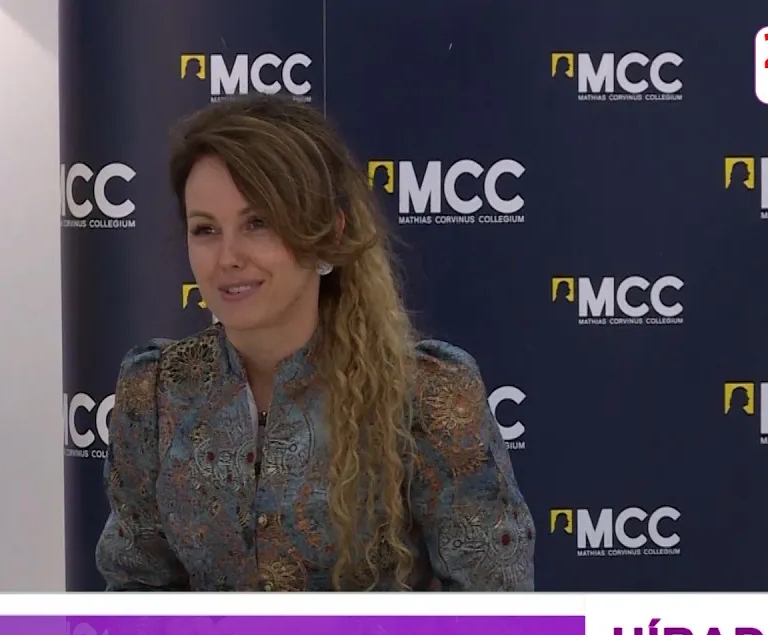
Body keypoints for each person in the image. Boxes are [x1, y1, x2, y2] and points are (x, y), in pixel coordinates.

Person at [94, 94, 535, 592]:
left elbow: (496, 612)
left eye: (258, 223)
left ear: (328, 232)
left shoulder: (426, 395)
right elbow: (134, 595)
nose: (228, 257)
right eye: (205, 230)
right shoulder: (156, 391)